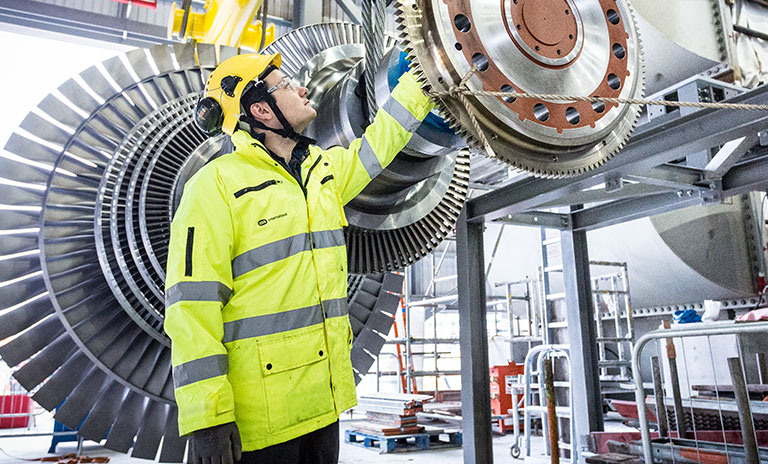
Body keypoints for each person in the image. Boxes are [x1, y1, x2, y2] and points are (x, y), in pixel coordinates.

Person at [164, 52, 434, 464]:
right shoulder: (214, 187)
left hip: (323, 404)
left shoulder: (320, 173)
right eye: (287, 85)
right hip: (258, 423)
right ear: (260, 109)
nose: (302, 88)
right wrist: (207, 417)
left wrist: (425, 72)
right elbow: (191, 308)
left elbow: (382, 142)